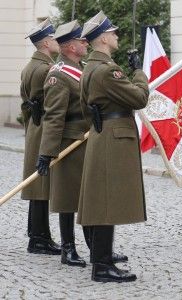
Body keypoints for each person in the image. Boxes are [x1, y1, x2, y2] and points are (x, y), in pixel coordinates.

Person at [77, 11, 149, 283]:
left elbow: (86, 109)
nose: (117, 36)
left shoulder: (89, 67)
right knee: (107, 202)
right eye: (113, 33)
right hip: (113, 137)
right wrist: (139, 71)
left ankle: (101, 258)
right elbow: (139, 97)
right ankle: (102, 266)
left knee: (101, 199)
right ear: (104, 38)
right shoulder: (108, 70)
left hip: (100, 133)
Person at [36, 20, 93, 267]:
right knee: (68, 199)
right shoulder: (58, 75)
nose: (86, 43)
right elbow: (53, 116)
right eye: (82, 41)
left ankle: (97, 247)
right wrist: (47, 152)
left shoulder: (83, 67)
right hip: (69, 143)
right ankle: (67, 248)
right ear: (70, 46)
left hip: (88, 141)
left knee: (91, 197)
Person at [20, 19, 61, 255]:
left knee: (37, 183)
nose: (58, 42)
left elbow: (26, 103)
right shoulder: (47, 69)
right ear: (46, 42)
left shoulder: (30, 66)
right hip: (44, 126)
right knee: (41, 184)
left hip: (35, 126)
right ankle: (39, 238)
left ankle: (37, 233)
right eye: (54, 38)